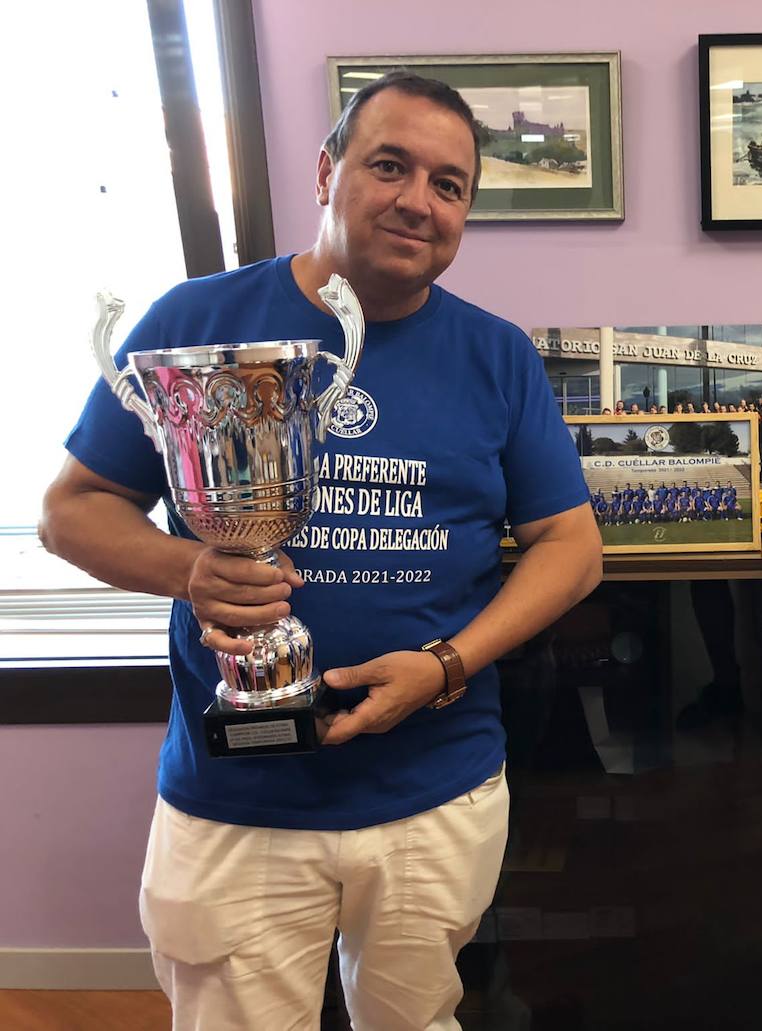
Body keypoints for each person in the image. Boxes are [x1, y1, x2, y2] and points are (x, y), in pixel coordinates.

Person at [40, 71, 603, 1030]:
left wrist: (445, 665)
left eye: (449, 184)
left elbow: (572, 546)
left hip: (434, 788)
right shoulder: (197, 322)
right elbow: (73, 509)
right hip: (238, 796)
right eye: (390, 165)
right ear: (325, 169)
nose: (418, 200)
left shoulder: (497, 353)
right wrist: (192, 570)